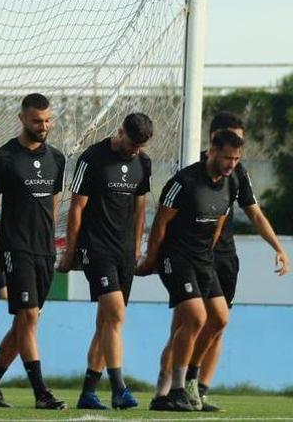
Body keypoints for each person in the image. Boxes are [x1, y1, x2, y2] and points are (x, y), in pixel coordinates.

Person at [138, 131, 245, 411]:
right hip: (175, 258)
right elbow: (160, 224)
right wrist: (151, 260)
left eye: (235, 159)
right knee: (196, 317)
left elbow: (220, 221)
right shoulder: (183, 182)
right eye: (226, 157)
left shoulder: (230, 183)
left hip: (203, 259)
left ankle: (190, 382)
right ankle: (174, 390)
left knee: (220, 319)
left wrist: (207, 253)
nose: (231, 164)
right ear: (212, 151)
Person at [0, 93, 66, 409]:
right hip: (16, 249)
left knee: (26, 324)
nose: (44, 126)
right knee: (27, 317)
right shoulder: (3, 158)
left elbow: (53, 201)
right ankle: (41, 392)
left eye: (48, 120)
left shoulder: (57, 157)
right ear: (22, 119)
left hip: (45, 251)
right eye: (37, 121)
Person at [58, 113, 153, 410]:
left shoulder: (143, 163)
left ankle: (88, 392)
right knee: (115, 314)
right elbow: (76, 209)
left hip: (124, 252)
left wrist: (136, 249)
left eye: (140, 145)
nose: (135, 150)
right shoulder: (92, 158)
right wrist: (71, 251)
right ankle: (119, 388)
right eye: (132, 143)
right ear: (120, 131)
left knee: (107, 322)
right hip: (95, 248)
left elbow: (140, 211)